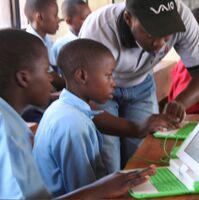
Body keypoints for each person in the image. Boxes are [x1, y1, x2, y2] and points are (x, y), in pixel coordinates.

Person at [0, 29, 156, 199]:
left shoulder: (15, 121)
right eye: (46, 71)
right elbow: (85, 187)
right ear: (24, 78)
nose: (51, 79)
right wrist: (102, 189)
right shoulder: (70, 123)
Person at [80, 0, 199, 172]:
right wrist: (136, 128)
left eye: (166, 35)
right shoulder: (99, 31)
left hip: (142, 84)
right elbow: (86, 100)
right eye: (151, 34)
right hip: (100, 91)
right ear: (129, 19)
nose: (159, 43)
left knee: (144, 157)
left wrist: (180, 102)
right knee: (109, 162)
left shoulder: (181, 17)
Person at [33, 39, 177, 196]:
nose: (114, 83)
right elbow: (85, 193)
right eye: (108, 75)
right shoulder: (73, 124)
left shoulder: (64, 108)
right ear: (82, 76)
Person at [24, 0, 64, 90]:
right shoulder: (31, 44)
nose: (59, 19)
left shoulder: (47, 40)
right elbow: (53, 78)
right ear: (40, 17)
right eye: (55, 15)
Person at [51, 0, 91, 65]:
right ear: (69, 21)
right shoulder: (60, 45)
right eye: (85, 18)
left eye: (91, 17)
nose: (90, 21)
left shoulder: (93, 38)